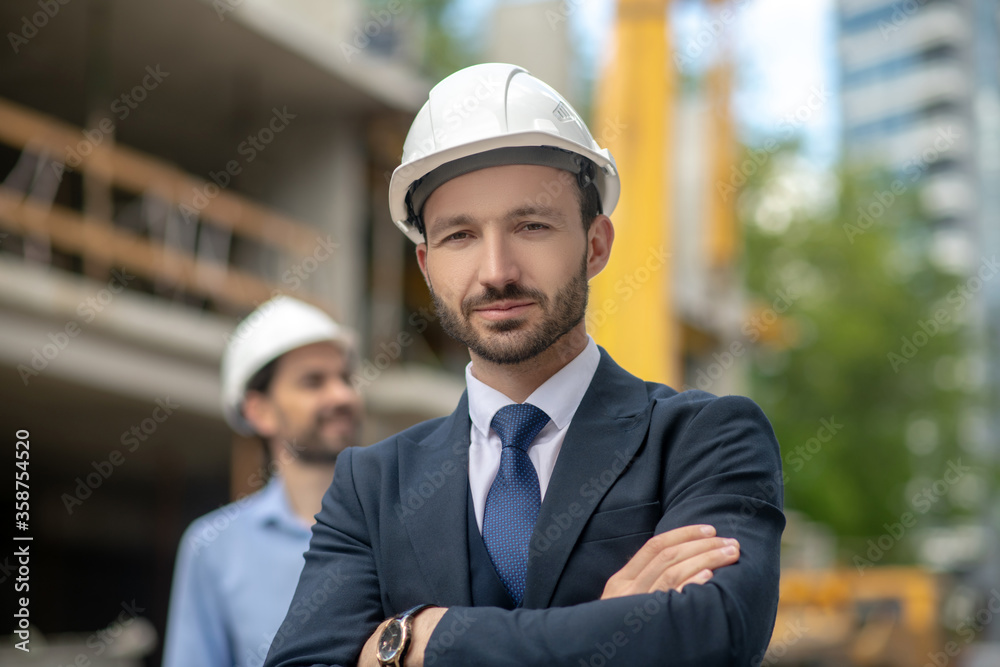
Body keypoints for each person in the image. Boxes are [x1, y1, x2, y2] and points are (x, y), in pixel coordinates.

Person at [264, 63, 784, 667]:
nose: (496, 271)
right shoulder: (371, 486)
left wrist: (414, 641)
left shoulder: (705, 439)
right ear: (428, 265)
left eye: (531, 226)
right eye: (460, 236)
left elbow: (711, 636)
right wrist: (610, 624)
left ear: (595, 245)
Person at [163, 296, 364, 667]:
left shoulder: (400, 522)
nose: (343, 395)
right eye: (313, 381)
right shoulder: (213, 547)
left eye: (345, 378)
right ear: (260, 411)